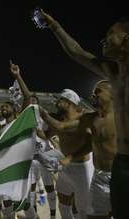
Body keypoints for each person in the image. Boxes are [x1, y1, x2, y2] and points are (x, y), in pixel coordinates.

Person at [40, 11, 129, 218]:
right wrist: (55, 27)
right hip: (120, 165)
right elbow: (76, 52)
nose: (104, 39)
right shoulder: (114, 73)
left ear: (126, 39)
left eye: (110, 33)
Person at [41, 80, 116, 218]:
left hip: (118, 175)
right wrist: (41, 113)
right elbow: (61, 127)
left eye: (98, 91)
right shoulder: (90, 118)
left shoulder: (122, 118)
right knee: (93, 215)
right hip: (99, 176)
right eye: (93, 92)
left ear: (112, 94)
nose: (94, 94)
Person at [10, 61, 57, 219]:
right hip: (30, 157)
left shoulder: (43, 115)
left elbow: (49, 134)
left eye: (35, 101)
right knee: (31, 189)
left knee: (50, 188)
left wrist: (49, 141)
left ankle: (52, 215)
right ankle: (34, 214)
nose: (32, 102)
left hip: (44, 154)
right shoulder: (24, 115)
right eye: (31, 101)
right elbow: (27, 96)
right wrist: (18, 75)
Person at [39, 89, 94, 219]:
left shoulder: (84, 117)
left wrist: (44, 114)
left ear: (69, 102)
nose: (56, 102)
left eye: (60, 100)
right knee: (63, 207)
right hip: (66, 168)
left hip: (83, 170)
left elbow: (90, 144)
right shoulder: (61, 118)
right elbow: (46, 135)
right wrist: (33, 128)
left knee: (83, 212)